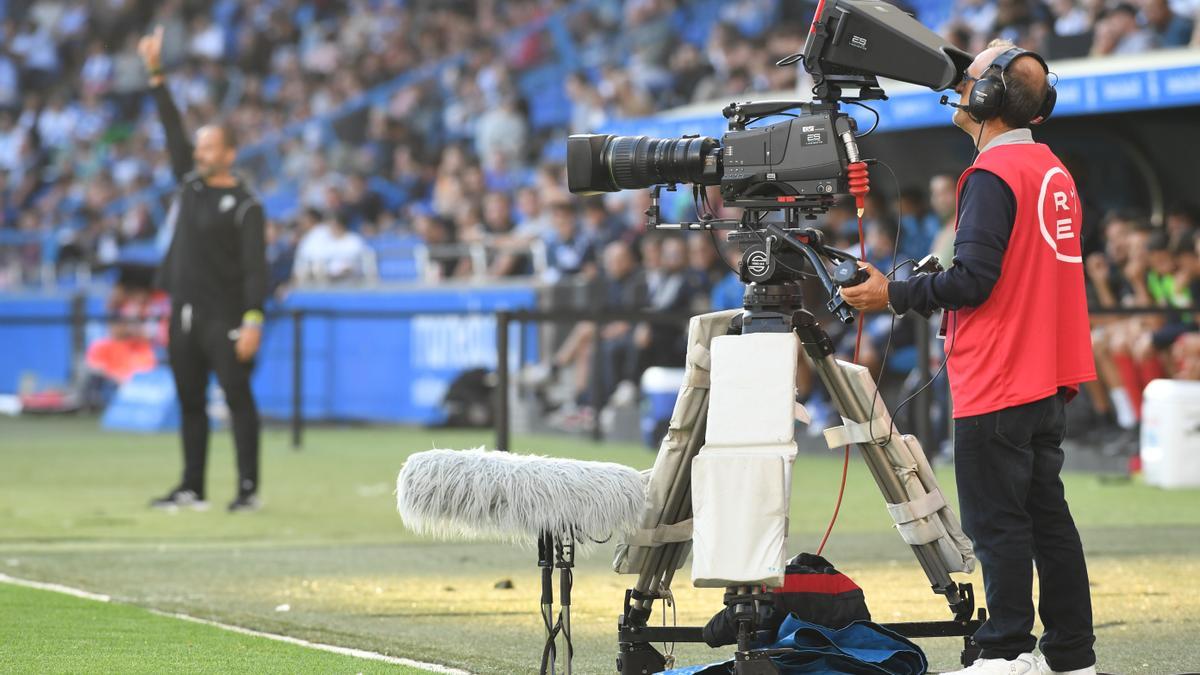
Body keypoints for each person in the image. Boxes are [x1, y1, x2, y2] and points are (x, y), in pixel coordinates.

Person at [842, 41, 1097, 675]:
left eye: (972, 77)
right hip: (1046, 374)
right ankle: (1071, 656)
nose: (959, 85)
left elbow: (974, 280)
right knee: (1048, 519)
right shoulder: (1052, 170)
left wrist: (892, 293)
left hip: (1001, 373)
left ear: (986, 99)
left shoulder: (992, 175)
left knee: (999, 523)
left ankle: (1006, 650)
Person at [140, 27, 268, 513]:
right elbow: (173, 132)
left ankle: (248, 489)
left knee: (238, 400)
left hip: (227, 315)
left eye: (209, 147)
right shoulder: (190, 187)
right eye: (199, 147)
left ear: (229, 154)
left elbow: (257, 268)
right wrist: (156, 73)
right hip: (185, 312)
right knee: (190, 402)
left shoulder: (246, 206)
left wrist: (254, 318)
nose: (199, 153)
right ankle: (192, 486)